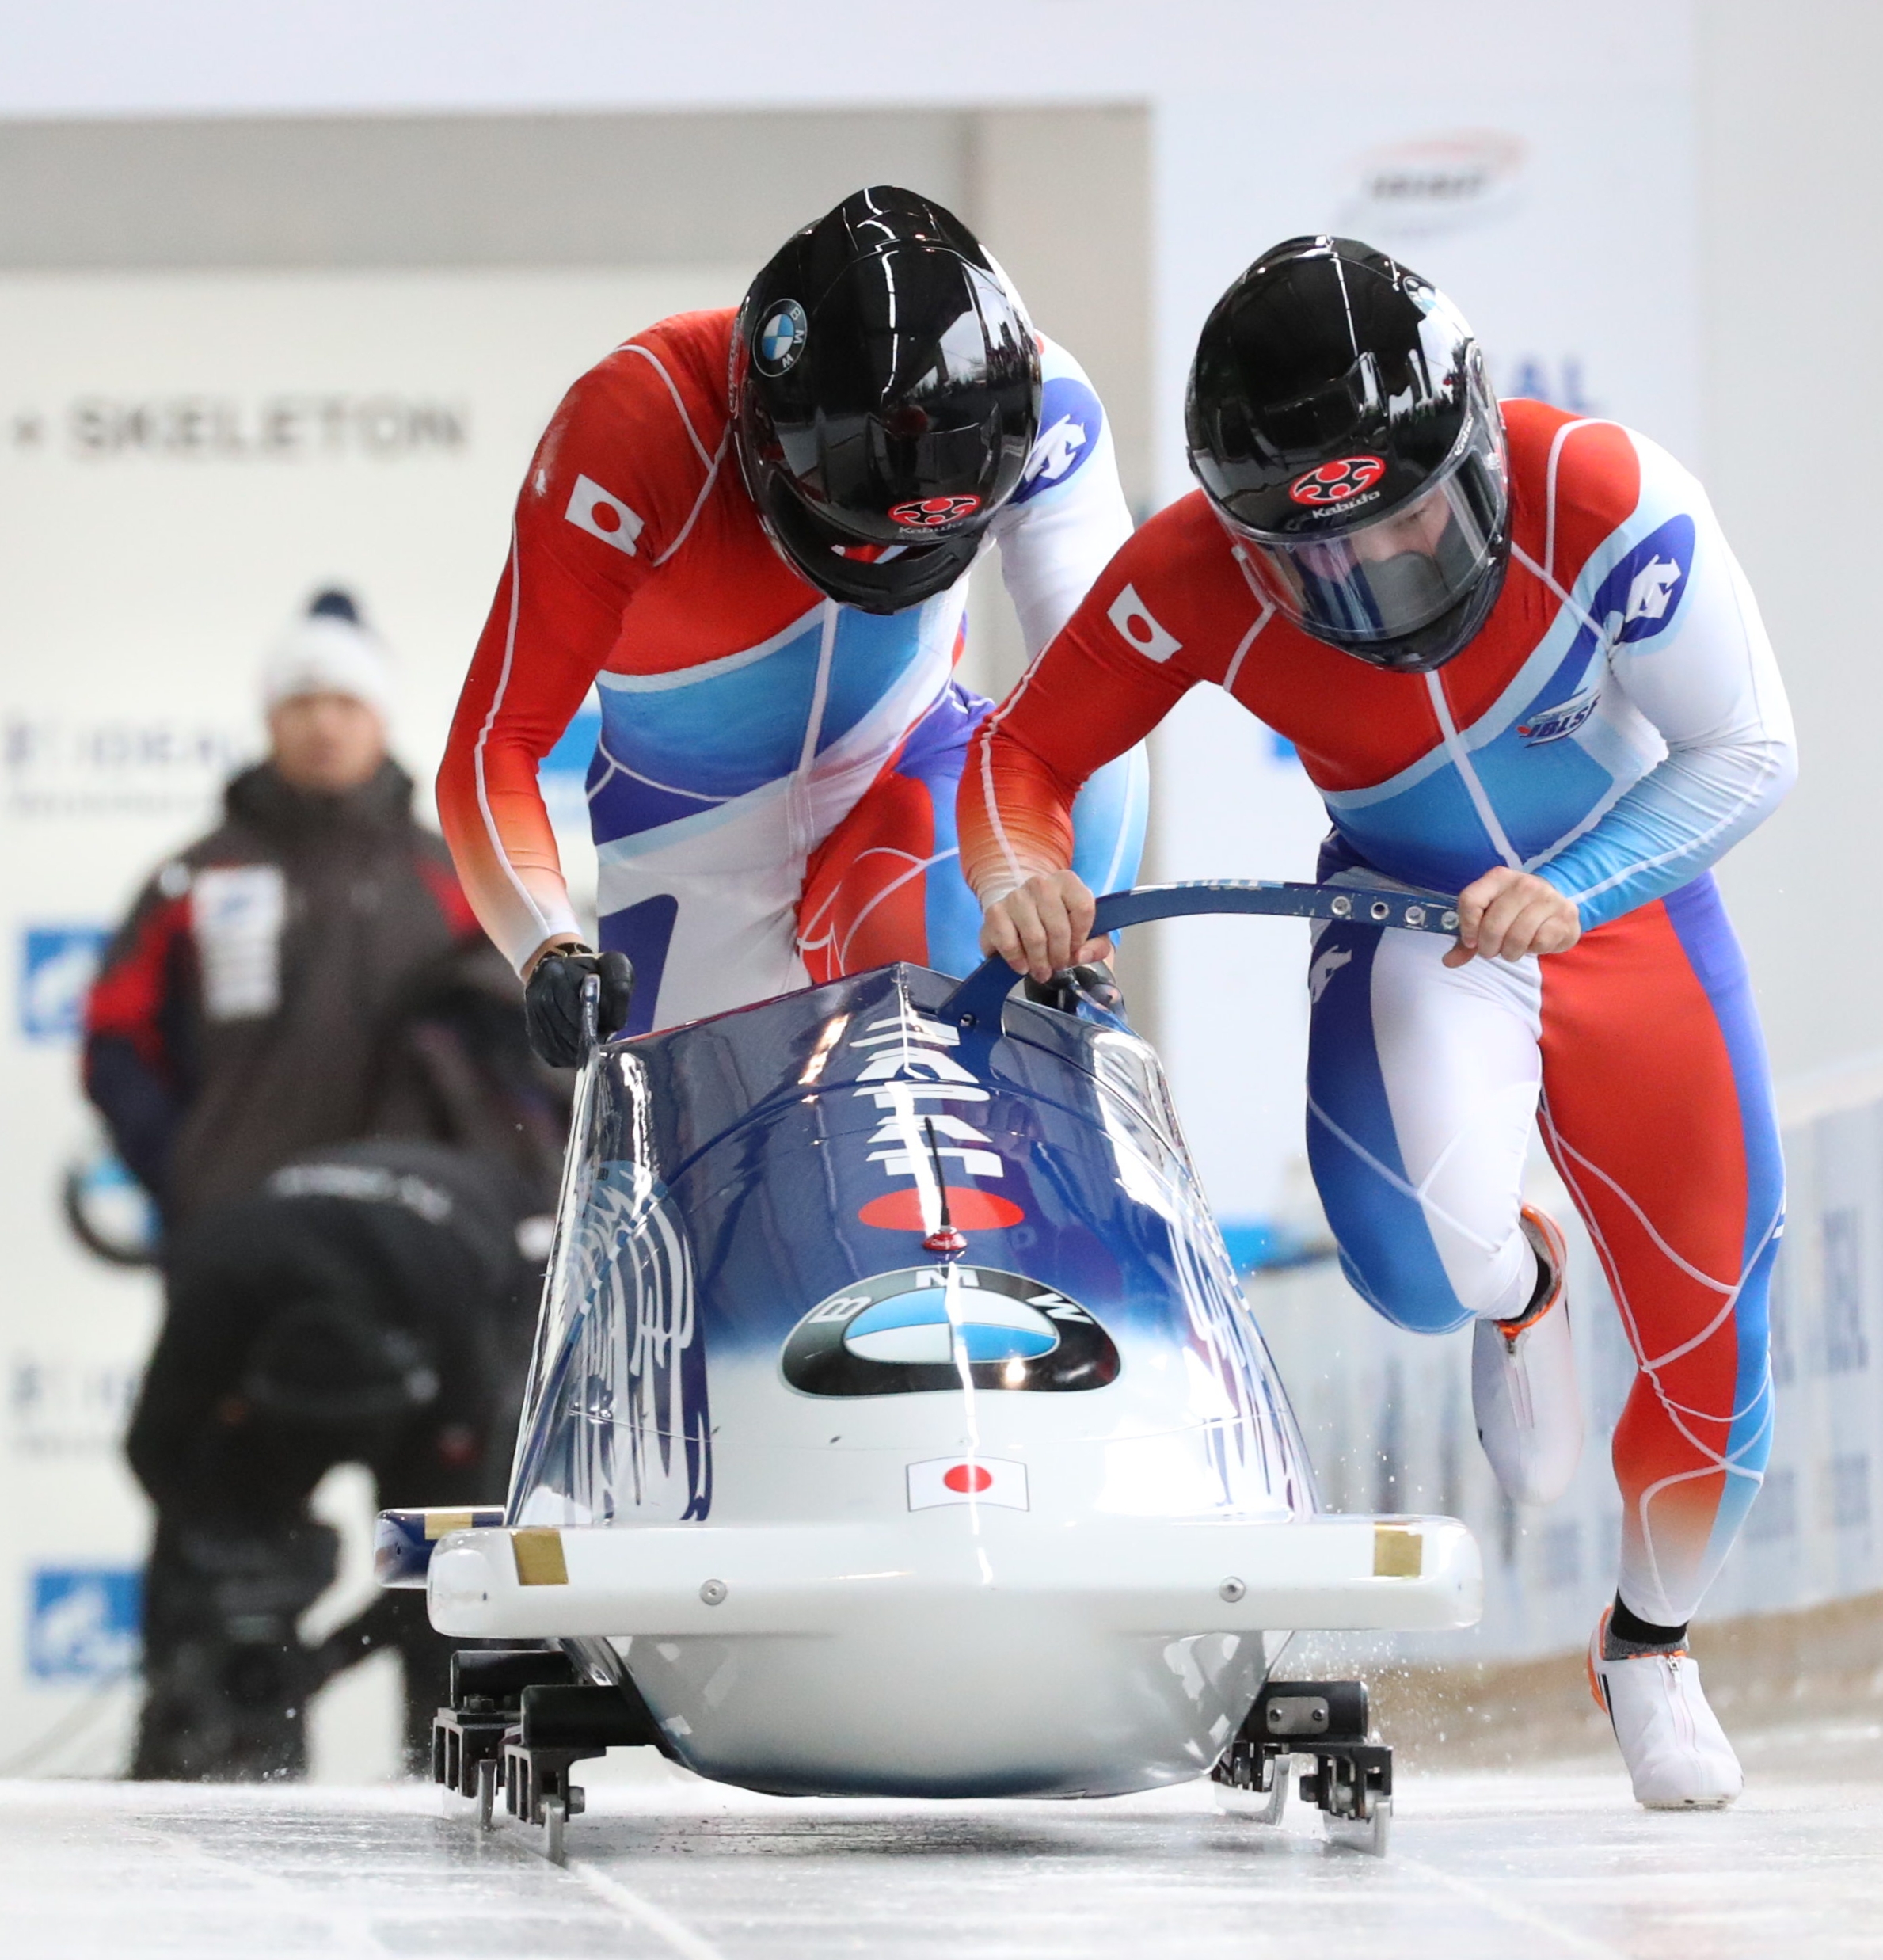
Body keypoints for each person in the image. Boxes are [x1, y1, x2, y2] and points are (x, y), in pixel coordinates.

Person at [961, 238, 1794, 1810]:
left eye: (1403, 525)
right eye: (1309, 556)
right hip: (1414, 919)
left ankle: (1651, 1645)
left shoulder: (1607, 500)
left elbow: (1746, 747)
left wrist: (1583, 877)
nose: (1368, 578)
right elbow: (1019, 758)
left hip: (1623, 919)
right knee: (1420, 1269)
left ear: (1471, 453)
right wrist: (1021, 878)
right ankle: (1522, 1283)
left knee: (1711, 1320)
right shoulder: (1185, 574)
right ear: (1241, 534)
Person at [436, 185, 1147, 1067]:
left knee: (965, 1005)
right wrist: (546, 944)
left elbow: (1099, 703)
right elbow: (496, 742)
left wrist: (1057, 909)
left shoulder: (1048, 406)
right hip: (687, 856)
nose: (876, 569)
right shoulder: (630, 433)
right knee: (696, 1184)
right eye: (853, 530)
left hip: (907, 779)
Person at [125, 1133, 552, 1779]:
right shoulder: (220, 1275)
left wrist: (323, 1660)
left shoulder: (462, 1349)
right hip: (300, 1284)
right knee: (196, 1528)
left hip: (473, 1268)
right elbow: (156, 1447)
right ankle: (192, 1740)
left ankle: (457, 1768)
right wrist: (239, 1557)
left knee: (457, 1584)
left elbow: (451, 1564)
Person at [83, 589, 478, 1231]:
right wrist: (181, 1169)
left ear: (381, 718)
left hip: (416, 1229)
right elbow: (114, 1037)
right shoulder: (190, 879)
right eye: (301, 702)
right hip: (234, 1226)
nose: (324, 724)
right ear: (269, 718)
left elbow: (514, 1047)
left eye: (346, 702)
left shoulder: (457, 878)